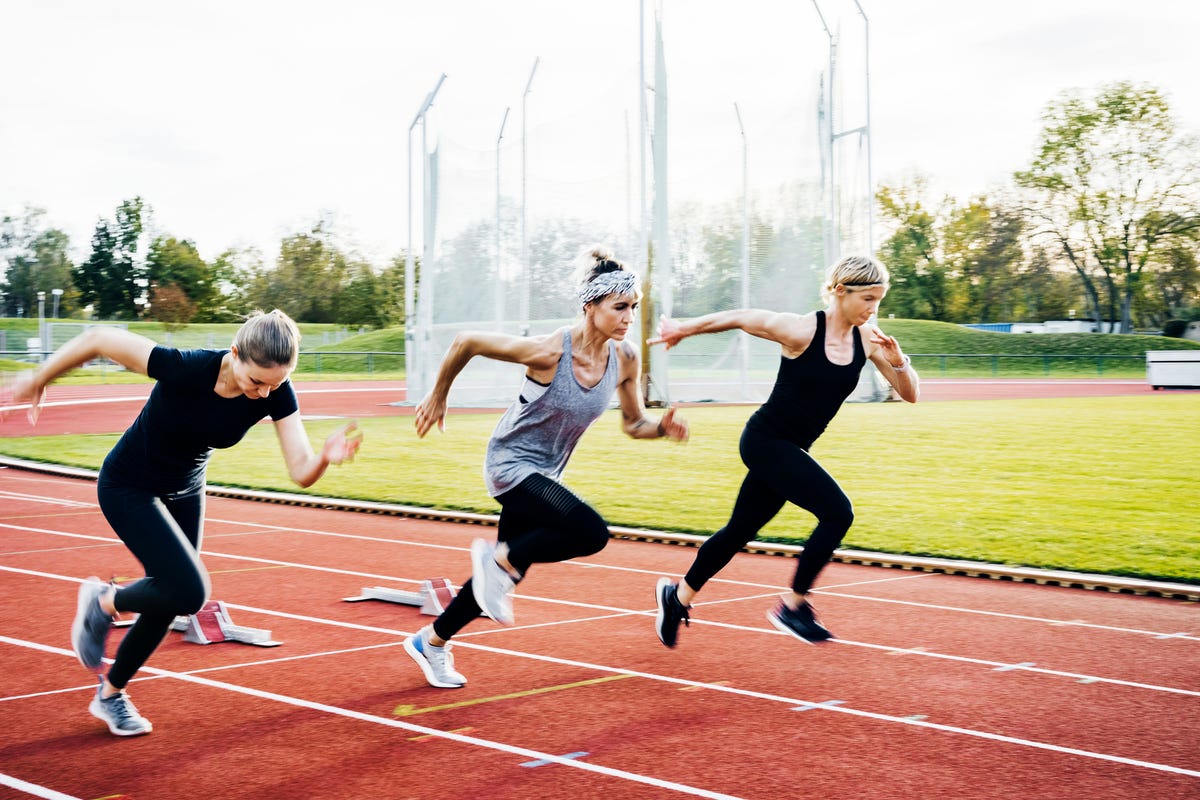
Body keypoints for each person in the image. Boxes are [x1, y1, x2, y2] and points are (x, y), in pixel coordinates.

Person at [7, 310, 361, 736]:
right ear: (234, 355)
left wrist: (324, 457)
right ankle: (104, 602)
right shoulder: (184, 367)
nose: (264, 394)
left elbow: (300, 470)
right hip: (129, 484)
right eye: (256, 382)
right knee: (189, 591)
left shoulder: (276, 392)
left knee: (171, 596)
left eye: (276, 384)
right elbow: (99, 337)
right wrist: (41, 376)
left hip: (186, 489)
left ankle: (111, 694)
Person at [404, 246, 688, 689]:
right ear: (589, 306)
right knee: (590, 532)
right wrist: (439, 394)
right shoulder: (550, 352)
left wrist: (662, 429)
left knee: (492, 586)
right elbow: (466, 342)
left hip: (545, 475)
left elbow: (633, 423)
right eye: (619, 307)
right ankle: (498, 562)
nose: (629, 317)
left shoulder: (625, 359)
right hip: (510, 464)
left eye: (634, 307)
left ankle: (431, 642)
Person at [650, 255, 919, 647]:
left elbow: (910, 394)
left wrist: (900, 363)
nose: (873, 308)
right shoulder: (801, 330)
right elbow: (743, 317)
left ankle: (678, 598)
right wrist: (683, 329)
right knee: (837, 513)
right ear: (841, 292)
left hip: (792, 448)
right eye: (867, 299)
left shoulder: (868, 340)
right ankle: (792, 607)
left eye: (878, 301)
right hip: (765, 441)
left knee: (738, 531)